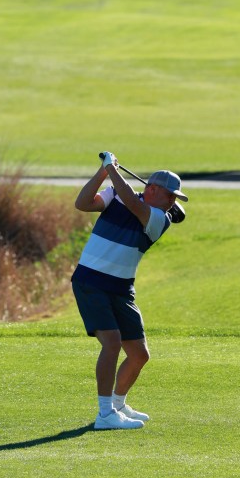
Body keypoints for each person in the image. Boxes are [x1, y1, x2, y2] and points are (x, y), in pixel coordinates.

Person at [71, 151, 188, 430]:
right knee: (111, 343)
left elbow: (135, 206)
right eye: (170, 195)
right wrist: (103, 172)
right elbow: (83, 203)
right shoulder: (115, 194)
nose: (173, 202)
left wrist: (111, 168)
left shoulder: (159, 218)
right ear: (152, 189)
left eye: (175, 198)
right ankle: (105, 414)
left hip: (121, 288)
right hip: (92, 280)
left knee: (139, 355)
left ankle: (118, 404)